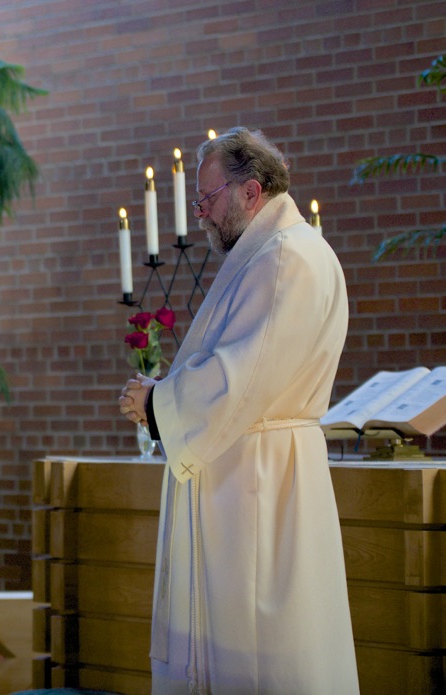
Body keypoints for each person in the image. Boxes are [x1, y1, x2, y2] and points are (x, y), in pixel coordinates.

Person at [118, 128, 359, 694]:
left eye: (207, 198)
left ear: (250, 192)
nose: (199, 212)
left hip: (257, 483)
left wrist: (158, 404)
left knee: (257, 652)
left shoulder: (284, 258)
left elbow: (240, 374)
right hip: (257, 468)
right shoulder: (274, 252)